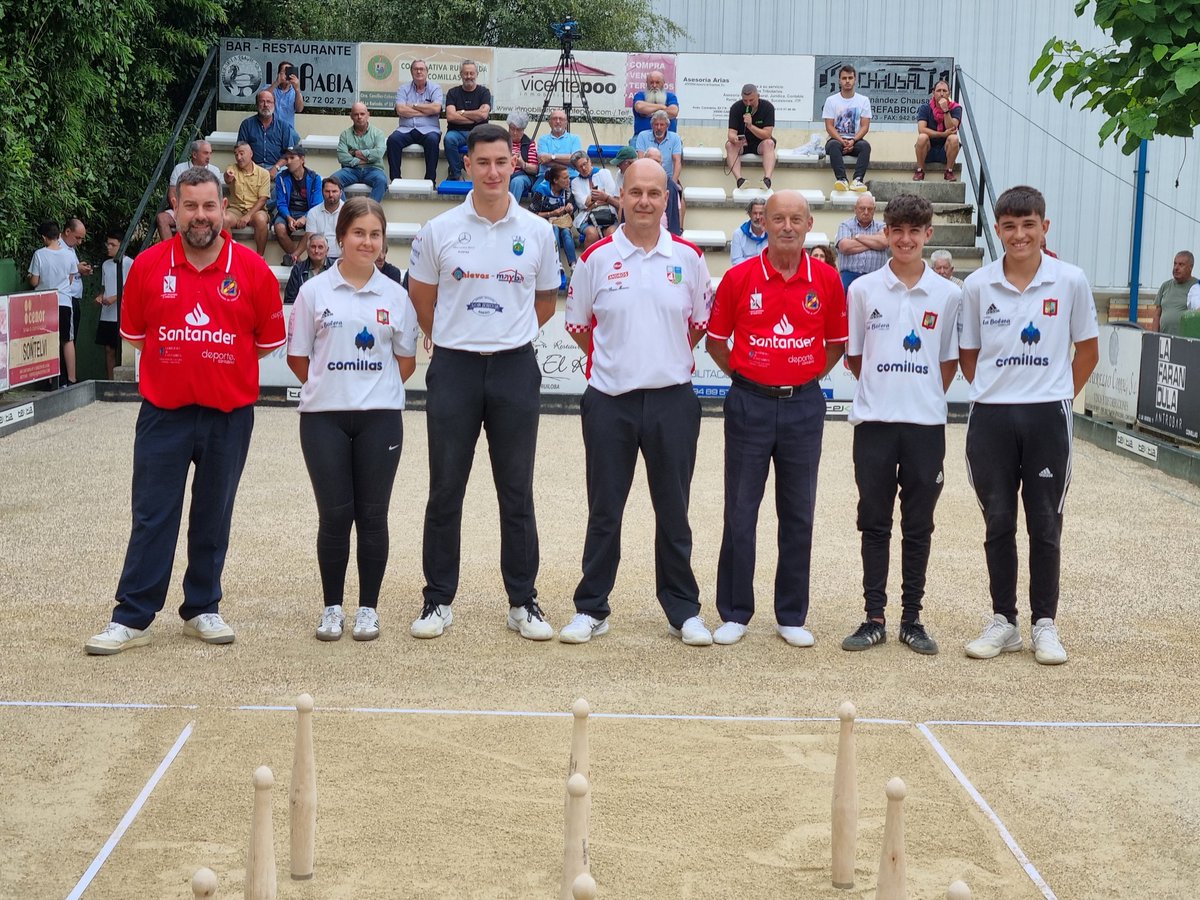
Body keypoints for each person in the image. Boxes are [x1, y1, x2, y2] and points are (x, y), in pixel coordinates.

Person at [84, 167, 285, 655]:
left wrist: (218, 365)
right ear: (174, 208)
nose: (200, 216)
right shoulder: (150, 265)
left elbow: (263, 344)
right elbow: (135, 338)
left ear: (225, 209)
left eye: (209, 206)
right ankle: (132, 615)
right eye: (190, 206)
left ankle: (202, 607)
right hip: (163, 412)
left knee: (214, 514)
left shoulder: (253, 270)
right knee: (153, 515)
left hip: (229, 414)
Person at [406, 123, 560, 642]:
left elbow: (543, 304)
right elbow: (422, 297)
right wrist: (452, 337)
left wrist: (504, 335)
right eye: (483, 162)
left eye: (502, 162)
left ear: (513, 165)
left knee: (516, 490)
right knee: (445, 489)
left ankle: (523, 601)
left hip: (515, 369)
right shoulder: (439, 229)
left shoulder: (537, 231)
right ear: (466, 166)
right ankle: (437, 600)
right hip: (454, 368)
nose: (493, 171)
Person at [558, 159, 713, 647]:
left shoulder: (688, 257)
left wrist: (658, 362)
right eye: (636, 192)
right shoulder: (596, 258)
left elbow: (697, 326)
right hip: (609, 402)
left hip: (673, 402)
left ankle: (683, 611)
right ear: (619, 196)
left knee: (674, 510)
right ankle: (592, 608)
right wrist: (621, 364)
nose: (644, 201)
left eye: (654, 193)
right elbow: (580, 327)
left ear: (667, 199)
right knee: (605, 510)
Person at [958, 185, 1099, 665]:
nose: (1020, 235)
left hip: (1047, 417)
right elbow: (969, 356)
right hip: (991, 416)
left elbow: (1088, 352)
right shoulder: (978, 285)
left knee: (1045, 522)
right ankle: (1004, 621)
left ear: (1045, 227)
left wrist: (1055, 393)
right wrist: (1002, 391)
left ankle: (1045, 624)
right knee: (998, 520)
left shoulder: (1071, 280)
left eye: (1029, 225)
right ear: (997, 230)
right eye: (1010, 226)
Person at [704, 191, 848, 647]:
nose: (787, 226)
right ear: (762, 222)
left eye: (796, 219)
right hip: (749, 404)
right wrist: (752, 376)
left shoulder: (826, 279)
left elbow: (834, 346)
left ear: (809, 225)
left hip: (804, 406)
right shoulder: (739, 277)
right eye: (778, 218)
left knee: (798, 513)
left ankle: (790, 614)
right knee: (741, 510)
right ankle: (735, 612)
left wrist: (800, 378)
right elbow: (716, 343)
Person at [286, 197, 419, 642]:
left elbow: (405, 362)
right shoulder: (313, 292)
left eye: (374, 234)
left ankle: (368, 609)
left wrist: (370, 390)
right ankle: (331, 607)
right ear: (340, 236)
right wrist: (334, 388)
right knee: (334, 516)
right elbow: (300, 358)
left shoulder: (397, 296)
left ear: (383, 243)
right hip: (323, 419)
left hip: (380, 419)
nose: (367, 241)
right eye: (358, 232)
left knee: (373, 516)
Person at [841, 193, 961, 656]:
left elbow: (947, 364)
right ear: (885, 234)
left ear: (928, 234)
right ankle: (874, 617)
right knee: (874, 521)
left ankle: (912, 618)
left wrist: (921, 393)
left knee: (918, 524)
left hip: (925, 427)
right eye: (898, 231)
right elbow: (855, 358)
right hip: (874, 423)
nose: (906, 239)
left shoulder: (949, 295)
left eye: (915, 231)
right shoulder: (863, 290)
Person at [28, 221, 79, 385]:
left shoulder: (39, 254)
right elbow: (71, 279)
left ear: (44, 237)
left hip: (44, 303)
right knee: (67, 340)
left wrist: (30, 277)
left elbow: (34, 281)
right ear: (58, 235)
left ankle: (49, 379)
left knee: (47, 339)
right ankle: (71, 378)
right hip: (64, 301)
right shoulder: (69, 254)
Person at [386, 60, 443, 183]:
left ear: (427, 72)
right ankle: (395, 180)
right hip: (406, 129)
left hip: (429, 130)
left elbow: (436, 108)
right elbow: (400, 110)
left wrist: (413, 105)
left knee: (433, 141)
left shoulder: (435, 88)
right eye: (415, 69)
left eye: (422, 69)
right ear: (411, 72)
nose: (419, 71)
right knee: (393, 140)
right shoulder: (403, 88)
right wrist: (425, 110)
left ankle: (430, 181)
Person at [156, 141, 223, 240]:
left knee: (223, 218)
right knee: (162, 218)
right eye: (205, 153)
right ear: (194, 154)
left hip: (205, 211)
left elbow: (217, 196)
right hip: (182, 209)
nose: (209, 156)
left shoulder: (215, 171)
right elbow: (172, 193)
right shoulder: (179, 168)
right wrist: (180, 210)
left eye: (210, 153)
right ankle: (170, 252)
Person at [822, 64, 873, 193]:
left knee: (865, 147)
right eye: (844, 78)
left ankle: (858, 180)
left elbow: (865, 126)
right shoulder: (831, 100)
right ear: (839, 80)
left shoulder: (863, 100)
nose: (847, 81)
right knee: (833, 145)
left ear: (855, 80)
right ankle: (842, 180)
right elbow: (829, 126)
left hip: (855, 141)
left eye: (850, 78)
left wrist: (853, 141)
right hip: (836, 140)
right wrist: (841, 140)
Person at [634, 110, 685, 232]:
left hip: (667, 177)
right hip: (646, 176)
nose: (659, 128)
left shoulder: (675, 138)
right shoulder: (642, 136)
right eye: (656, 124)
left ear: (667, 126)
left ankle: (679, 229)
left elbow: (677, 161)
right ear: (652, 125)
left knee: (680, 195)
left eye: (662, 125)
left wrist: (672, 183)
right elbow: (640, 160)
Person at [271, 146, 322, 265]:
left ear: (302, 159)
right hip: (288, 212)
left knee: (312, 228)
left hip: (308, 212)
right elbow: (281, 203)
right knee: (279, 228)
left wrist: (305, 218)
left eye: (292, 158)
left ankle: (293, 257)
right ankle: (299, 263)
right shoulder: (281, 177)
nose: (288, 162)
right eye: (286, 158)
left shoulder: (315, 178)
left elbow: (317, 205)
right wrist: (288, 218)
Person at [443, 60, 492, 181]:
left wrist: (463, 112)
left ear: (476, 74)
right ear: (461, 74)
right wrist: (474, 118)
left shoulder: (484, 92)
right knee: (449, 139)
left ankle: (481, 177)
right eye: (466, 73)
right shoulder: (452, 93)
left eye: (471, 73)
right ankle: (456, 174)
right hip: (457, 133)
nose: (469, 76)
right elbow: (451, 116)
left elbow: (483, 115)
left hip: (479, 132)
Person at [331, 103, 389, 203]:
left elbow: (379, 154)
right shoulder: (345, 134)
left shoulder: (377, 133)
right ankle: (345, 211)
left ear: (368, 115)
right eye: (356, 114)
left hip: (373, 170)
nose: (359, 117)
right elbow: (342, 157)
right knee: (333, 180)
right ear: (351, 116)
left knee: (382, 181)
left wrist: (354, 153)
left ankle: (369, 211)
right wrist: (364, 159)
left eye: (362, 114)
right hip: (351, 170)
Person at [95, 230, 134, 379]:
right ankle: (110, 380)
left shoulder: (130, 263)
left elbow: (131, 288)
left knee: (122, 349)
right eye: (108, 244)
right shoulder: (106, 264)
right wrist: (100, 296)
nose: (109, 247)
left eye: (113, 245)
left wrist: (115, 298)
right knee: (108, 350)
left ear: (121, 246)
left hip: (122, 313)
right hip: (107, 314)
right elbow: (104, 287)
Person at [235, 90, 300, 177]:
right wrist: (252, 167)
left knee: (286, 179)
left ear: (274, 104)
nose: (266, 105)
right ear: (257, 104)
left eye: (269, 101)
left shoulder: (283, 126)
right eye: (262, 101)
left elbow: (289, 153)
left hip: (278, 168)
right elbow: (240, 150)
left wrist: (276, 168)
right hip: (252, 167)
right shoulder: (247, 124)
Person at [223, 141, 271, 256]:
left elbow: (263, 199)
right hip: (236, 210)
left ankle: (260, 257)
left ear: (251, 154)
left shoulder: (263, 173)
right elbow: (227, 177)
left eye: (241, 153)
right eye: (236, 154)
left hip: (256, 211)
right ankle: (229, 255)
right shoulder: (232, 168)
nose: (238, 158)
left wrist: (248, 216)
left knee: (260, 219)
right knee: (223, 219)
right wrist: (228, 176)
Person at [725, 83, 777, 190]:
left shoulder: (768, 108)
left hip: (760, 144)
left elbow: (767, 134)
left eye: (751, 100)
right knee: (729, 145)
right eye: (745, 100)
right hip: (742, 144)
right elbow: (731, 133)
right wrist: (735, 139)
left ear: (758, 96)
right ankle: (740, 180)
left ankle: (767, 179)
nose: (748, 103)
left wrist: (750, 126)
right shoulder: (736, 108)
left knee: (770, 143)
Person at [531, 163, 577, 281]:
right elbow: (532, 214)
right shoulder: (541, 190)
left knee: (566, 232)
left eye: (568, 177)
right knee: (554, 229)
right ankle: (557, 263)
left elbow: (571, 210)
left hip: (562, 222)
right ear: (556, 180)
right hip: (544, 224)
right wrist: (551, 214)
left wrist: (570, 208)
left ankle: (573, 265)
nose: (568, 180)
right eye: (565, 178)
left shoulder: (567, 190)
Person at [836, 194, 887, 291]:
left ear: (874, 210)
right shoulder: (845, 225)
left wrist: (857, 237)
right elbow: (845, 247)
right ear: (855, 209)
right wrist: (874, 243)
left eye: (870, 209)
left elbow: (884, 242)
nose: (866, 212)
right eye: (862, 208)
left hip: (876, 276)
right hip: (849, 275)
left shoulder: (881, 226)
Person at [569, 151, 619, 248]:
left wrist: (592, 202)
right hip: (587, 218)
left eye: (585, 164)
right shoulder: (575, 182)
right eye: (580, 166)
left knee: (611, 233)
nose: (583, 168)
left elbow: (611, 196)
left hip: (609, 214)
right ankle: (588, 261)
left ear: (589, 161)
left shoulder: (604, 173)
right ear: (576, 169)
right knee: (592, 234)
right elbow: (582, 204)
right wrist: (602, 197)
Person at [915, 80, 961, 182]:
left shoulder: (956, 108)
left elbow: (952, 128)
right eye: (938, 90)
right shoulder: (925, 108)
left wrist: (946, 110)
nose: (941, 94)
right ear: (933, 93)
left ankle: (949, 171)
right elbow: (921, 129)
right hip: (928, 150)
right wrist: (942, 134)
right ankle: (920, 171)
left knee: (954, 138)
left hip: (946, 150)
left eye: (944, 91)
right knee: (922, 137)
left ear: (949, 93)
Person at [1150, 250, 1200, 334]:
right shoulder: (1165, 286)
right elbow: (1157, 315)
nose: (1176, 268)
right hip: (1164, 340)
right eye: (1175, 263)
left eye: (1181, 265)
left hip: (1186, 341)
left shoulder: (1197, 287)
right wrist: (1154, 336)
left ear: (1190, 267)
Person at [284, 233, 331, 306]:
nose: (316, 251)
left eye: (320, 247)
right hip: (304, 313)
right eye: (313, 247)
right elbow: (290, 300)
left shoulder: (335, 268)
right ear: (307, 250)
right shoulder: (297, 270)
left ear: (327, 250)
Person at [305, 176, 344, 261]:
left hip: (344, 259)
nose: (331, 195)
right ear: (322, 192)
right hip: (319, 259)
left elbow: (351, 241)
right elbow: (311, 241)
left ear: (341, 193)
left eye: (334, 191)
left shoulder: (349, 212)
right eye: (327, 191)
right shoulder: (313, 212)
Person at [537, 108, 583, 179]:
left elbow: (575, 160)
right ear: (549, 122)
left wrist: (552, 157)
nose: (558, 121)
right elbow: (544, 160)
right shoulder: (543, 139)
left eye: (561, 119)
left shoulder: (575, 139)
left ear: (566, 123)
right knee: (537, 189)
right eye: (554, 119)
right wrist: (568, 163)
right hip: (547, 177)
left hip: (571, 177)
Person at [632, 70, 679, 137]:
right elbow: (639, 107)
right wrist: (662, 107)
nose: (654, 85)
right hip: (641, 138)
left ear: (663, 83)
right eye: (651, 82)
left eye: (657, 82)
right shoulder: (640, 95)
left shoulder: (670, 96)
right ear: (647, 83)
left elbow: (673, 112)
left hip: (668, 138)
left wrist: (649, 111)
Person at [507, 111, 540, 201]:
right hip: (505, 174)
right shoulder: (501, 142)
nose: (514, 133)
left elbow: (535, 170)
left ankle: (511, 212)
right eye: (512, 128)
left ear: (523, 129)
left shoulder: (530, 144)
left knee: (517, 181)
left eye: (518, 130)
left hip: (524, 176)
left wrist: (522, 164)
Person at [730, 197, 768, 265]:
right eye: (755, 213)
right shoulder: (738, 234)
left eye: (761, 213)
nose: (758, 217)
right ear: (749, 214)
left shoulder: (773, 234)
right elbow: (736, 261)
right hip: (746, 274)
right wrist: (757, 264)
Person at [269, 61, 304, 130]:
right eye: (284, 72)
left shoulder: (295, 92)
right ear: (279, 74)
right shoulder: (270, 88)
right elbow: (262, 98)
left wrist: (297, 89)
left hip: (288, 131)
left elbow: (299, 109)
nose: (287, 75)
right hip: (271, 130)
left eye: (289, 72)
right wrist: (277, 82)